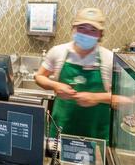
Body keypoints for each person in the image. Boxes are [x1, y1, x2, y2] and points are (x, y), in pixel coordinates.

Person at [35, 8, 113, 142]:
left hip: (96, 134)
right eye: (82, 28)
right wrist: (55, 85)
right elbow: (39, 77)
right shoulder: (58, 52)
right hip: (61, 130)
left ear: (100, 34)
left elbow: (125, 99)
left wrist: (97, 97)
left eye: (93, 30)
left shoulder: (109, 59)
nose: (86, 33)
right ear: (74, 29)